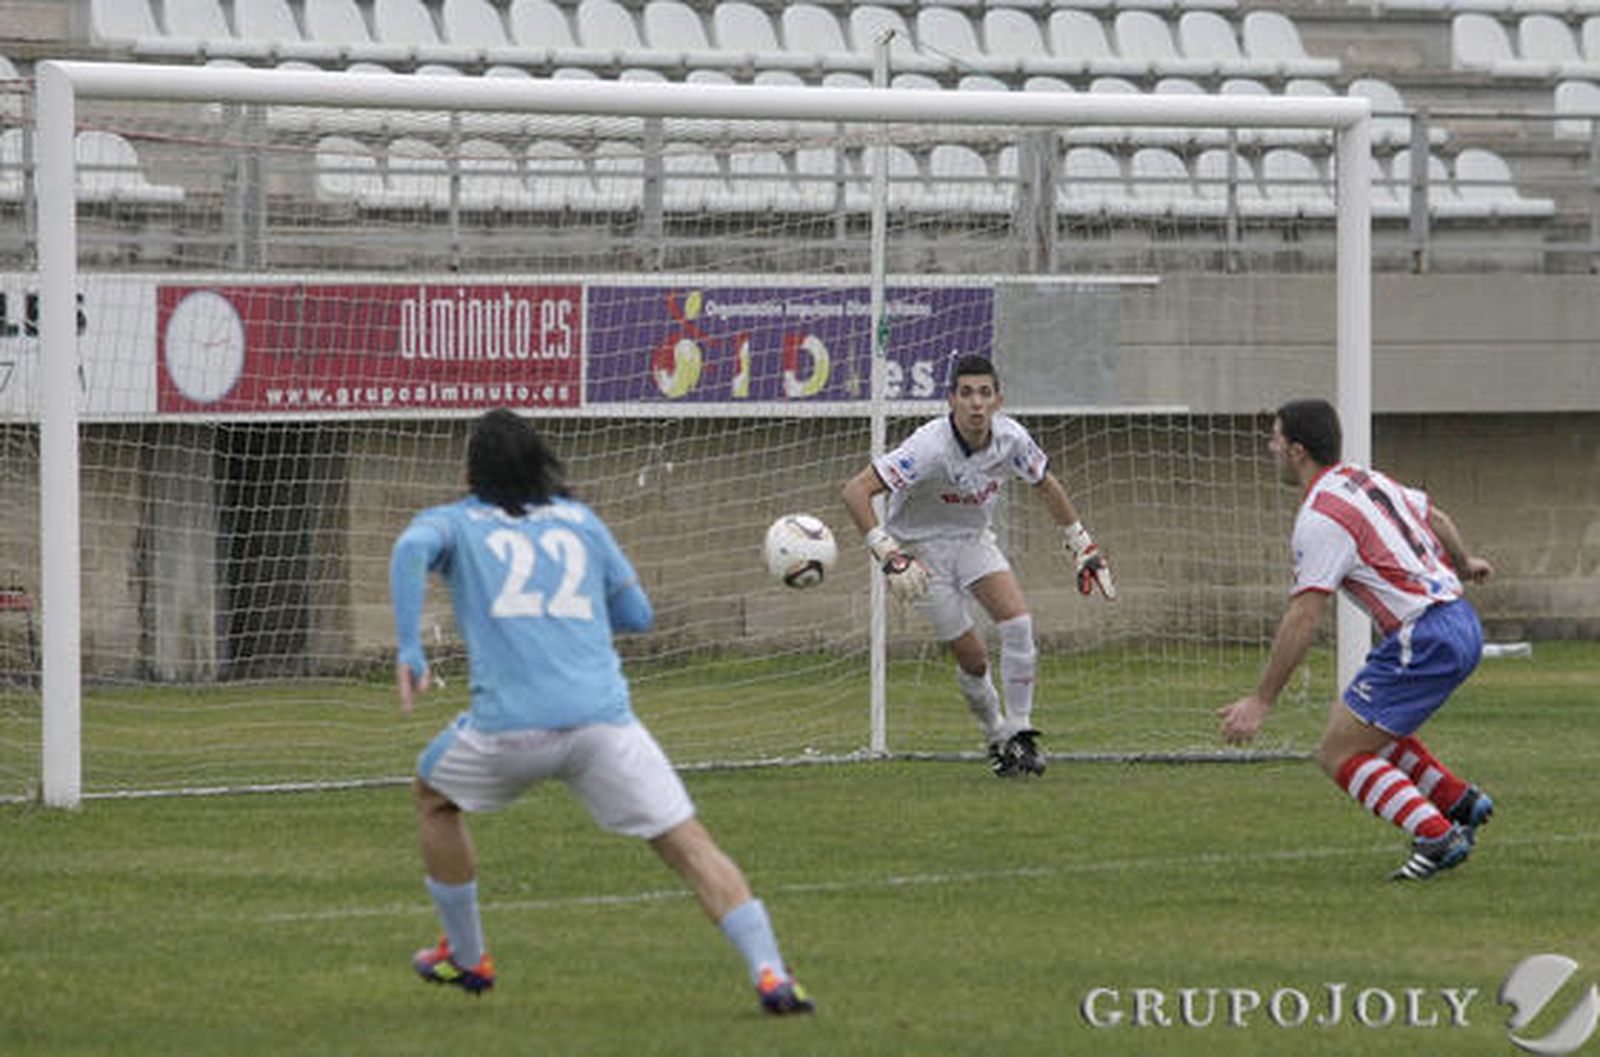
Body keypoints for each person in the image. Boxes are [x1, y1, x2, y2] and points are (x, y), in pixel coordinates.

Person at [390, 408, 813, 1014]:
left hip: (509, 730)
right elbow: (638, 616)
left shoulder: (453, 523)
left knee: (433, 795)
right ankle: (772, 973)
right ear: (541, 461)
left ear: (470, 470)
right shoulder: (582, 523)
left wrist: (409, 646)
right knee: (687, 844)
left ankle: (467, 957)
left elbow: (409, 549)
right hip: (602, 725)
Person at [1217, 398, 1496, 881]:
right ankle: (1460, 801)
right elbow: (1438, 516)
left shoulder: (1322, 516)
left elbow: (1304, 616)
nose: (1269, 448)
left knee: (1337, 752)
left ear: (1298, 451)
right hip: (1459, 621)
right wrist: (1465, 563)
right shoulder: (1368, 479)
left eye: (1275, 439)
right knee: (1361, 726)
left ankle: (1436, 834)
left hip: (1424, 634)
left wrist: (1262, 700)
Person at [840, 354, 1115, 777]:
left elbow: (1046, 485)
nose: (976, 403)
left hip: (972, 541)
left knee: (1018, 622)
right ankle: (995, 735)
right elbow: (856, 491)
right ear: (951, 400)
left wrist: (1081, 542)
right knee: (975, 661)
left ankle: (1020, 734)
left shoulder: (1012, 440)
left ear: (998, 400)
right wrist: (889, 553)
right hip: (920, 549)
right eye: (966, 393)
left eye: (985, 393)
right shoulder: (928, 447)